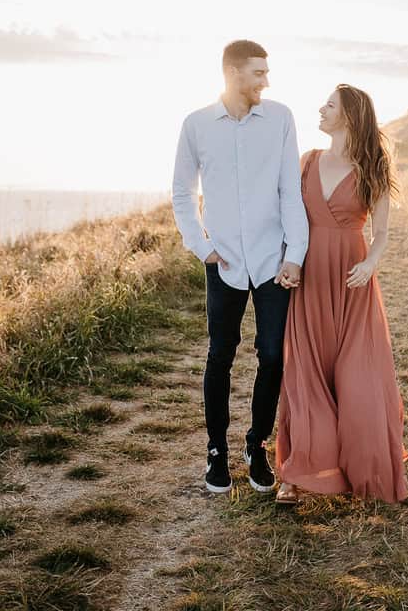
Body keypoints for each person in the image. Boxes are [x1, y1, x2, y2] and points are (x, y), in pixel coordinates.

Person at [171, 39, 309, 494]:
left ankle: (257, 445)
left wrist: (295, 253)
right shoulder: (196, 125)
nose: (266, 81)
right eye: (258, 73)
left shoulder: (281, 119)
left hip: (273, 260)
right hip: (223, 260)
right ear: (233, 73)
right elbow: (182, 193)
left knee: (273, 355)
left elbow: (291, 190)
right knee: (220, 355)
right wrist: (200, 246)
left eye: (266, 73)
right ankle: (216, 451)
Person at [273, 84, 408, 504]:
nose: (320, 109)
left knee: (357, 377)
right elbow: (286, 217)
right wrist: (286, 260)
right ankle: (296, 475)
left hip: (352, 280)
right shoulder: (307, 161)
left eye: (329, 105)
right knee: (305, 374)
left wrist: (371, 263)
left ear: (349, 116)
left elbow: (382, 233)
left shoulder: (374, 166)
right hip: (310, 276)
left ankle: (360, 470)